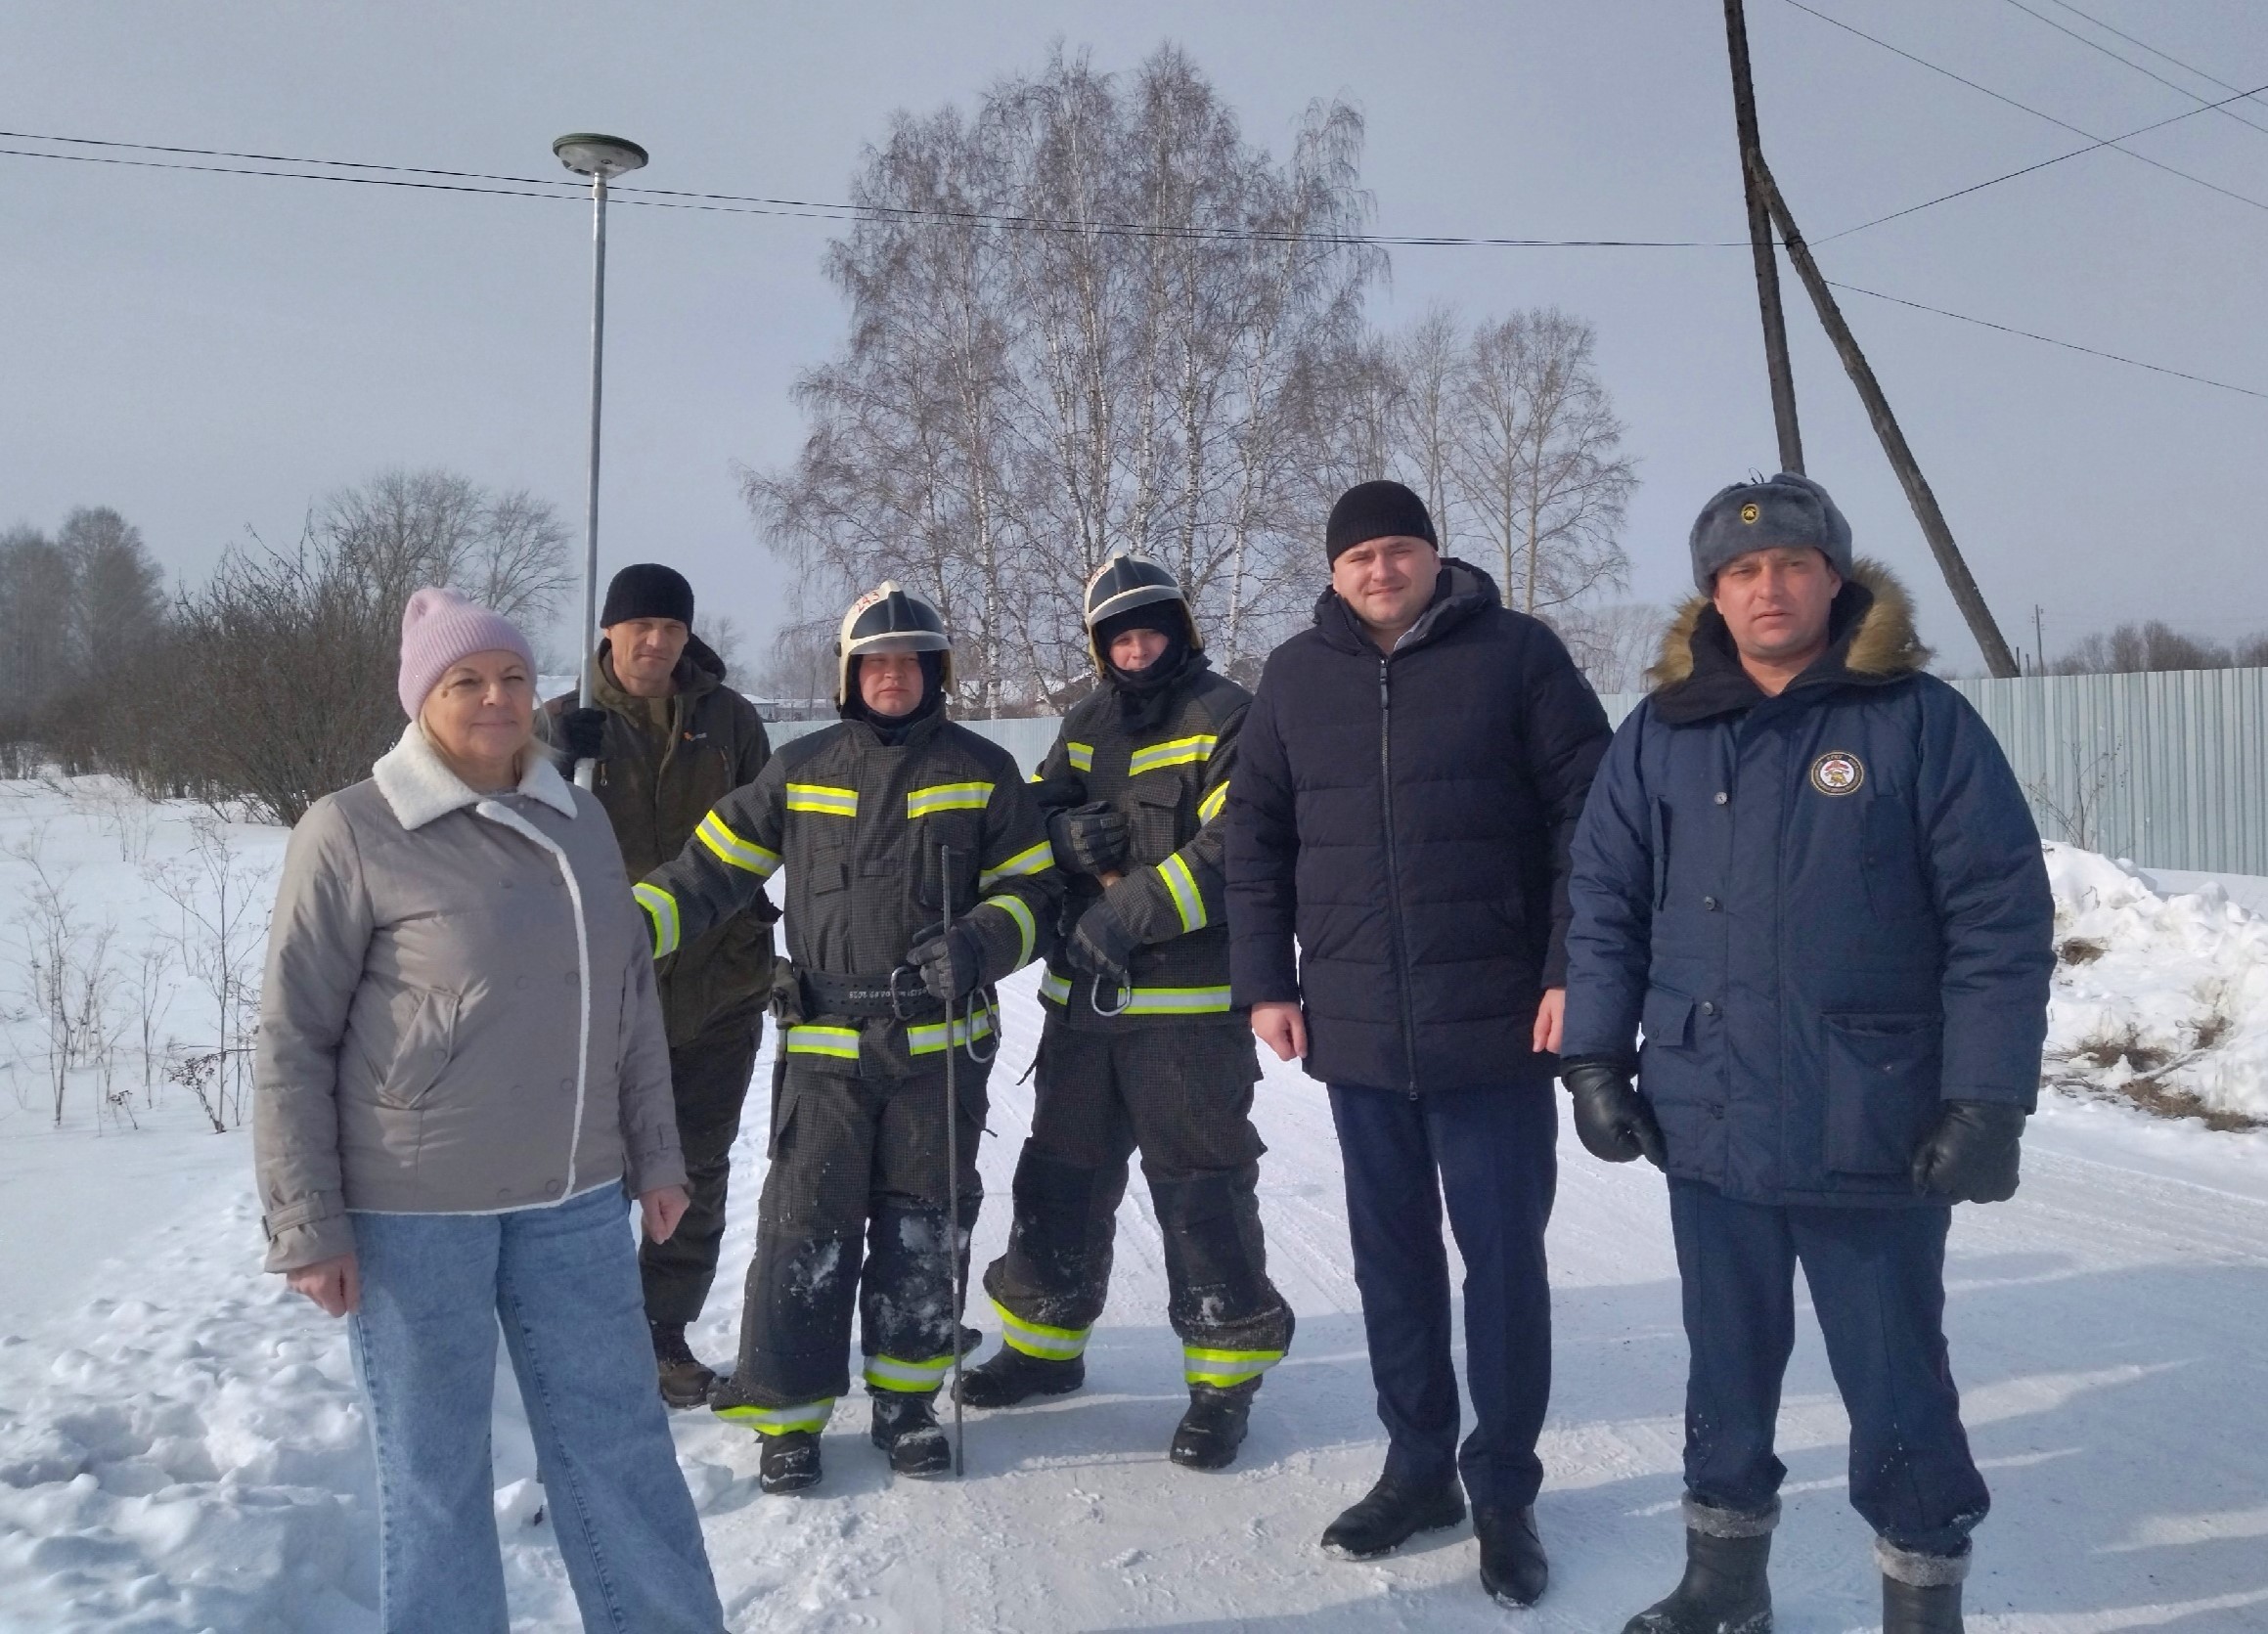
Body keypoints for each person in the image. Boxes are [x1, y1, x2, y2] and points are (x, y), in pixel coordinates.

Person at [1559, 472, 2053, 1634]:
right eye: (1740, 571)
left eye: (1788, 563)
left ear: (1835, 577)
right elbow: (1604, 903)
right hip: (1708, 1117)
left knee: (1896, 1385)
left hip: (1869, 1124)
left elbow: (1998, 917)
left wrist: (1987, 1098)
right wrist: (1593, 1059)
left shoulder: (1918, 722)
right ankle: (1724, 1587)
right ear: (1711, 597)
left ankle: (1922, 1597)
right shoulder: (1660, 737)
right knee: (1724, 1371)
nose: (1766, 586)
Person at [253, 587, 723, 1634]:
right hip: (416, 1212)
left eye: (512, 675)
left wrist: (655, 1153)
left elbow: (628, 996)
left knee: (622, 1451)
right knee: (435, 1477)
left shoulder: (579, 816)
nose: (496, 696)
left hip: (572, 1199)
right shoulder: (352, 830)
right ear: (423, 699)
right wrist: (307, 1223)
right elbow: (293, 1035)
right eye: (466, 680)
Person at [1225, 480, 1611, 1608]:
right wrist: (1266, 983)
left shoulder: (1519, 656)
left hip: (1494, 1022)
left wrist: (1567, 969)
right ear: (1334, 572)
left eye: (1400, 550)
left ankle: (1502, 1488)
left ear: (1436, 557)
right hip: (1355, 1026)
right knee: (1391, 1263)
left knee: (1500, 1266)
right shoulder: (1296, 679)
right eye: (1360, 558)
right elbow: (1254, 839)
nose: (1381, 571)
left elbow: (1589, 819)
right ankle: (1418, 1466)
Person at [633, 582, 1061, 1493]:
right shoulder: (799, 769)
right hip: (825, 1044)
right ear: (848, 674)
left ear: (934, 672)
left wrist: (982, 940)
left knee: (924, 1223)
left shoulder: (983, 771)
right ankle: (787, 1415)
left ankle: (906, 1404)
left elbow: (1035, 894)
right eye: (875, 660)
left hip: (938, 1047)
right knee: (804, 1227)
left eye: (909, 660)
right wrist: (629, 927)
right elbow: (709, 869)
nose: (892, 674)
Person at [956, 554, 1295, 1470]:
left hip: (1185, 1016)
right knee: (1059, 1181)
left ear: (1182, 629)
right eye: (1118, 636)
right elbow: (1036, 822)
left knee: (1203, 1193)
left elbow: (1240, 847)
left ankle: (1223, 1381)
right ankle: (1042, 1348)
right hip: (1082, 1010)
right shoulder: (1084, 721)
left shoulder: (1227, 716)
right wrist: (1060, 835)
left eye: (1149, 628)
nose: (1136, 646)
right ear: (1101, 651)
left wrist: (1124, 908)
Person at [541, 562, 775, 1408]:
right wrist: (555, 763)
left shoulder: (731, 721)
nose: (655, 641)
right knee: (593, 1171)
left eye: (670, 628)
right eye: (638, 625)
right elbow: (505, 833)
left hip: (720, 985)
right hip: (602, 994)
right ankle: (590, 1329)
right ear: (607, 630)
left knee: (697, 1169)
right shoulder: (561, 720)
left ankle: (661, 1332)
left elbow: (772, 831)